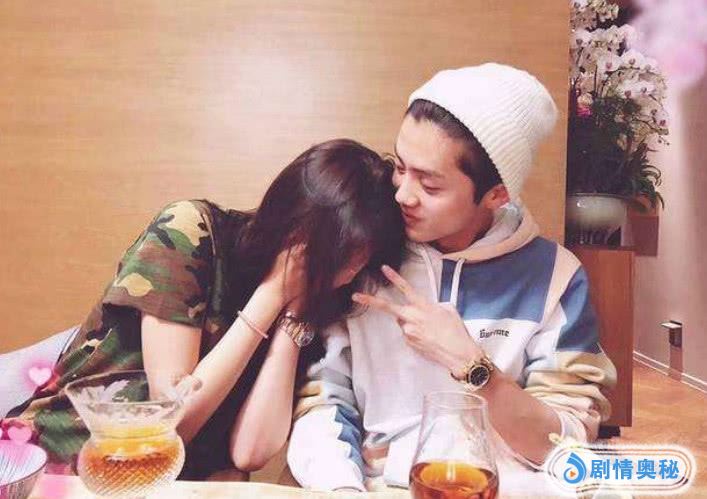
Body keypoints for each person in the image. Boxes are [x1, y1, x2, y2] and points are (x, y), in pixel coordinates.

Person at [286, 64, 618, 494]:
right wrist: (341, 488)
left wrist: (473, 366)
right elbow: (322, 401)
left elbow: (565, 445)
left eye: (429, 185)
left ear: (496, 194)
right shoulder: (364, 255)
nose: (402, 194)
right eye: (400, 167)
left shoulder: (555, 276)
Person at [1, 138, 406, 480]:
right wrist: (270, 295)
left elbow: (250, 452)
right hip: (51, 468)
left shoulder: (322, 297)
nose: (347, 276)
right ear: (294, 228)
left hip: (170, 486)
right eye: (342, 259)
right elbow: (169, 426)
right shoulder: (190, 232)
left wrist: (293, 317)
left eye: (360, 261)